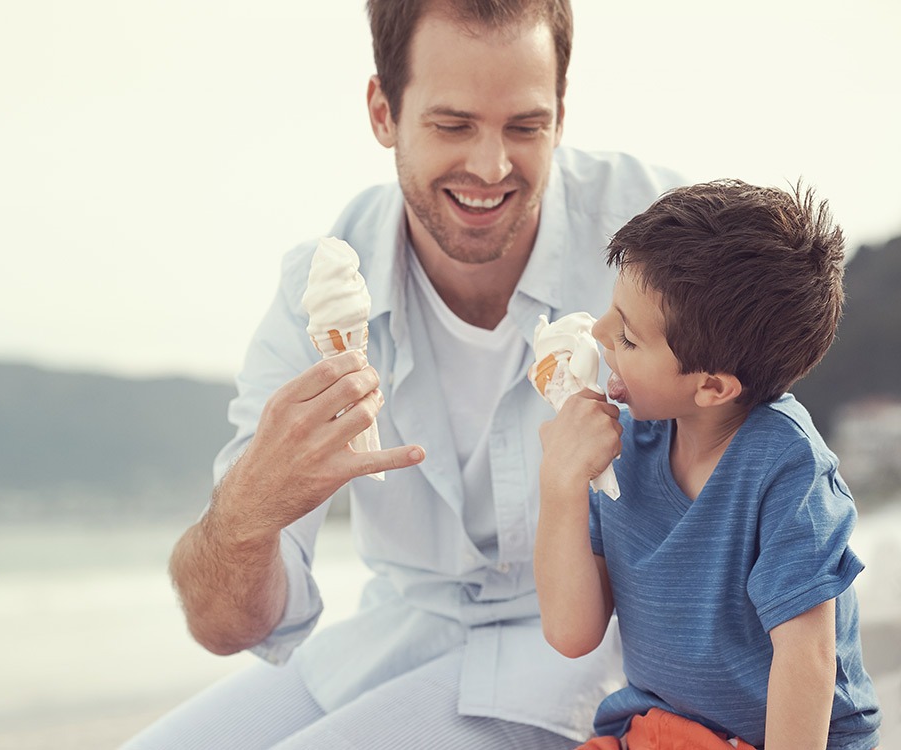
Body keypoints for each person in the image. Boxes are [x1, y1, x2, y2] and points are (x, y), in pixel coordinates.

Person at [122, 1, 684, 748]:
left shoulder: (659, 233)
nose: (491, 168)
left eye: (525, 126)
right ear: (383, 112)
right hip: (401, 634)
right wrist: (250, 511)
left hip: (598, 652)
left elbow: (772, 470)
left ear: (560, 110)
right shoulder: (317, 290)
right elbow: (225, 627)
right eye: (453, 125)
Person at [535, 180, 882, 749]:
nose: (597, 335)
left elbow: (809, 659)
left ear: (713, 387)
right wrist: (560, 482)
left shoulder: (787, 468)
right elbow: (572, 632)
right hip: (657, 730)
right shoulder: (621, 443)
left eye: (626, 335)